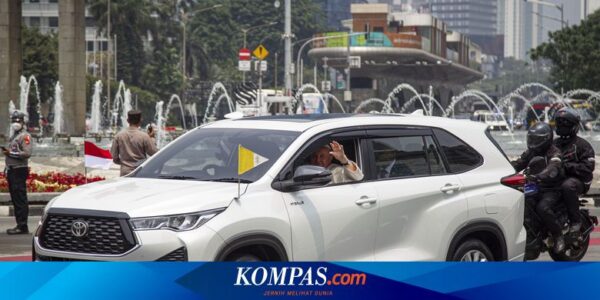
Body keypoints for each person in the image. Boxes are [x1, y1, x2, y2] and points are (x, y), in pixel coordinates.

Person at [512, 122, 566, 252]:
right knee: (521, 201)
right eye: (531, 138)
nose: (532, 141)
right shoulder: (531, 152)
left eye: (536, 139)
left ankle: (558, 236)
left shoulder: (555, 153)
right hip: (535, 186)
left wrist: (539, 176)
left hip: (552, 188)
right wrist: (502, 170)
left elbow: (552, 167)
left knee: (542, 208)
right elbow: (518, 163)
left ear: (545, 139)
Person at [553, 108, 595, 234]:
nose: (562, 126)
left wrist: (566, 166)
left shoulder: (582, 145)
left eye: (565, 124)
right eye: (559, 123)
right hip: (557, 178)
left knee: (568, 186)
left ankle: (575, 221)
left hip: (579, 181)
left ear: (573, 126)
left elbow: (588, 168)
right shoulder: (554, 144)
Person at [2, 111, 33, 235]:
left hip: (19, 170)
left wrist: (10, 154)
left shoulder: (25, 136)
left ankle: (22, 226)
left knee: (20, 198)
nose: (16, 123)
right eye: (14, 121)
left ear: (23, 122)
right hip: (12, 170)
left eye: (18, 121)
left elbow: (27, 153)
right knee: (15, 198)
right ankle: (19, 224)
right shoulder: (14, 136)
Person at [111, 110, 158, 176]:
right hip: (140, 172)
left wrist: (125, 163)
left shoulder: (118, 136)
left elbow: (114, 158)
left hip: (125, 172)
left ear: (127, 120)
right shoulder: (144, 136)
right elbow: (154, 153)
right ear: (140, 121)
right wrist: (152, 138)